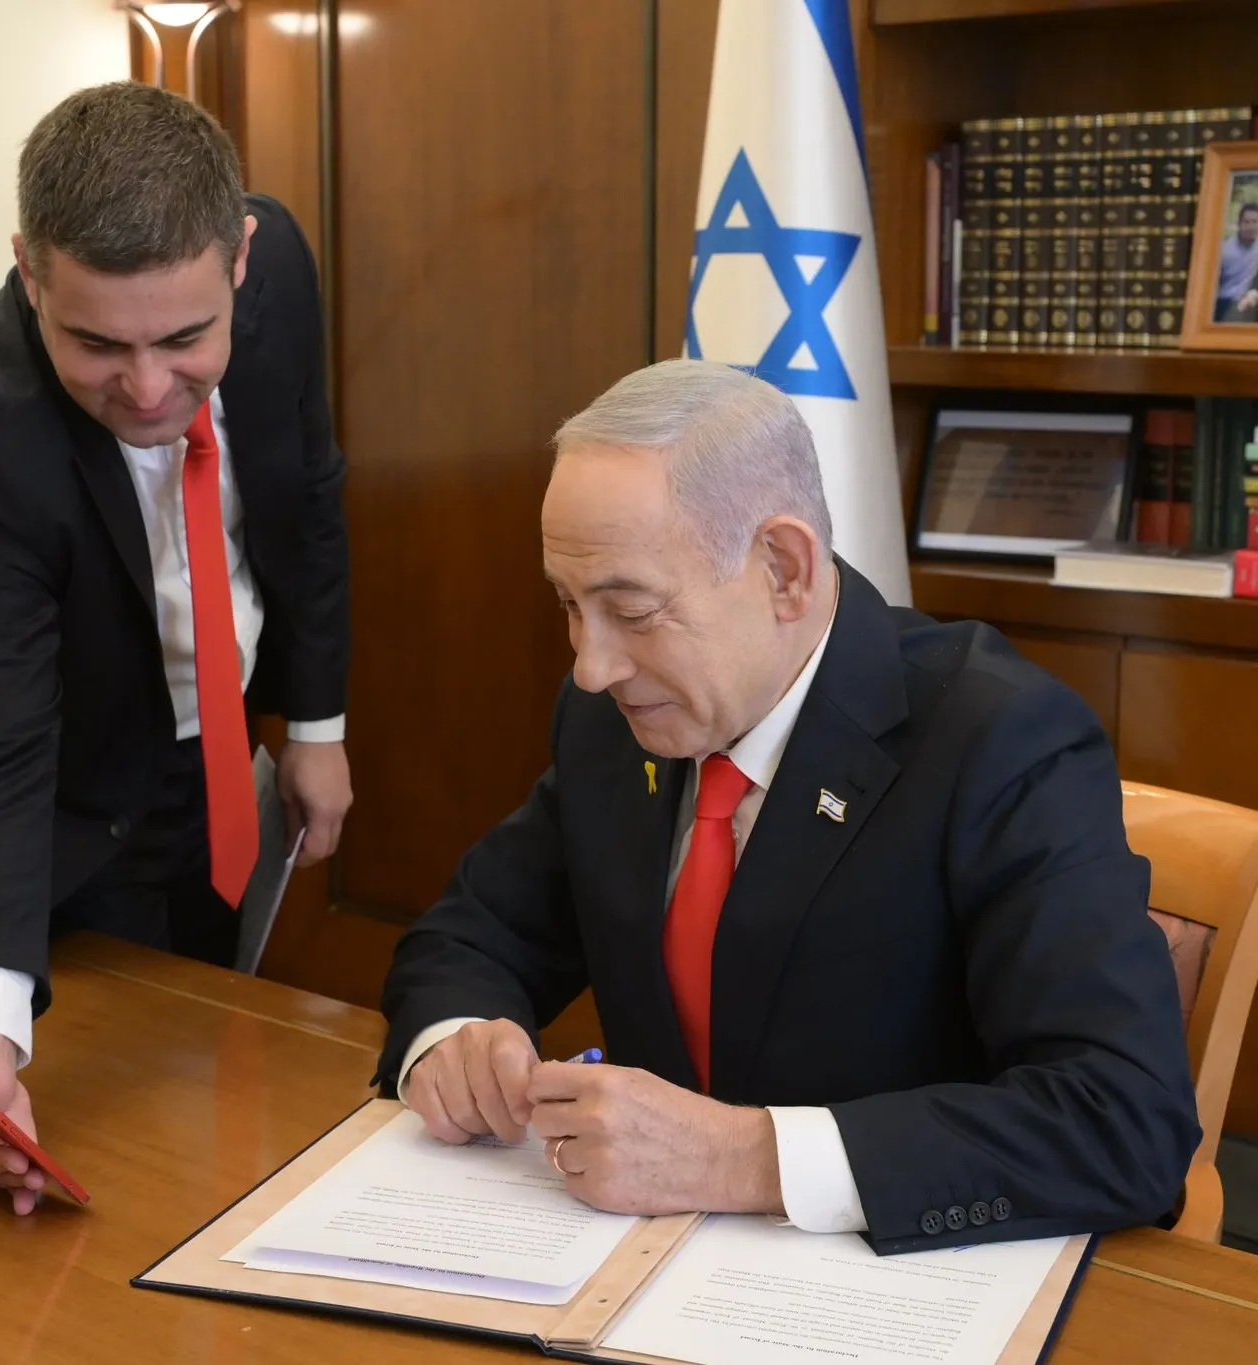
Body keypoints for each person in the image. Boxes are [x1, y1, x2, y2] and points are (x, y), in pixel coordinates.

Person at [377, 360, 1199, 1254]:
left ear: (784, 568)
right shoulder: (615, 717)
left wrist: (743, 1157)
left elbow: (1124, 1118)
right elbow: (468, 936)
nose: (591, 664)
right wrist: (457, 1044)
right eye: (570, 606)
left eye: (633, 610)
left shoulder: (999, 741)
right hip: (632, 1272)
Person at [0, 83, 352, 1214]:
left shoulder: (278, 260)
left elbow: (308, 491)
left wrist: (319, 726)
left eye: (186, 340)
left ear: (239, 260)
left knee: (220, 1059)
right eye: (95, 343)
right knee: (128, 1119)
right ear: (29, 272)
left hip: (220, 746)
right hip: (59, 788)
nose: (146, 389)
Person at [1214, 201, 1258, 322]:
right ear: (1239, 223)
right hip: (1226, 300)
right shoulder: (1224, 250)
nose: (1251, 226)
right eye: (1247, 222)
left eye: (1255, 222)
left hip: (1250, 299)